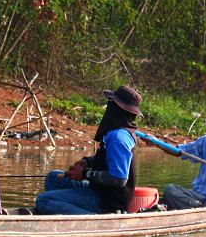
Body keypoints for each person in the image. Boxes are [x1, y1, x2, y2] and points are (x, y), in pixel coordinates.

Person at [35, 85, 142, 215]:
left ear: (116, 108)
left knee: (43, 200)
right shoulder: (118, 133)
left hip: (107, 202)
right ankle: (64, 211)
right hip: (99, 190)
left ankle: (93, 219)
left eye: (110, 103)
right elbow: (109, 159)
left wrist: (85, 174)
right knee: (53, 177)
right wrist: (87, 161)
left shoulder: (118, 137)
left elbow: (119, 179)